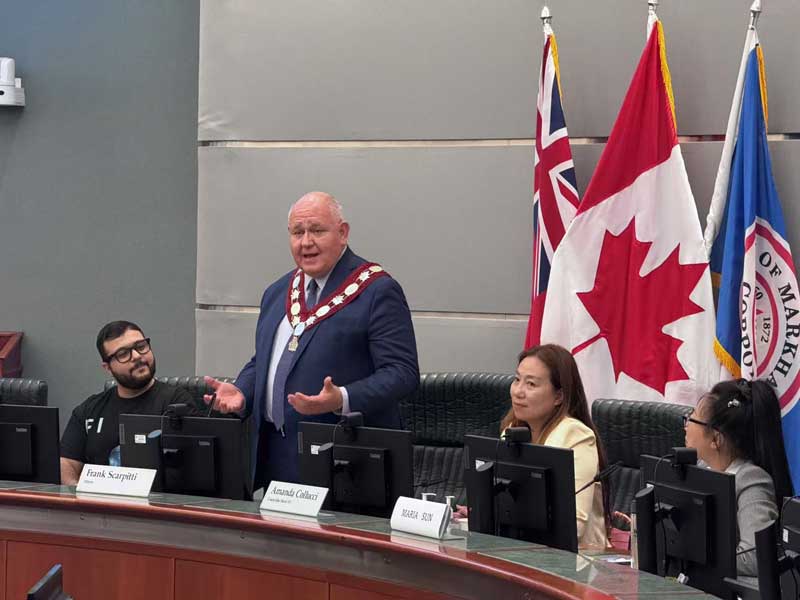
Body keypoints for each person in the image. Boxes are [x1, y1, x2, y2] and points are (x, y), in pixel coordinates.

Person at [204, 191, 419, 489]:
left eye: (317, 230)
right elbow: (266, 360)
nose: (306, 242)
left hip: (345, 461)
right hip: (277, 457)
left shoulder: (376, 290)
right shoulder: (277, 292)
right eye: (297, 232)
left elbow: (402, 373)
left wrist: (342, 398)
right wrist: (243, 390)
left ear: (342, 233)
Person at [498, 344, 610, 548]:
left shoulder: (575, 435)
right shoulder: (512, 431)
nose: (518, 391)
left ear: (559, 396)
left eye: (531, 384)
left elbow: (574, 525)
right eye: (516, 380)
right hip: (521, 549)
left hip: (578, 560)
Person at [60, 321, 194, 485]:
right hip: (97, 499)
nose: (137, 356)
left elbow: (190, 471)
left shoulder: (177, 403)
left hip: (155, 499)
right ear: (108, 368)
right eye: (123, 354)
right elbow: (66, 464)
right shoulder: (89, 410)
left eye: (141, 346)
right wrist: (79, 494)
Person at [684, 378, 794, 577]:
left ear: (716, 439)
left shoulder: (751, 480)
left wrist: (693, 554)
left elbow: (755, 558)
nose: (686, 425)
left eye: (692, 418)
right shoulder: (700, 468)